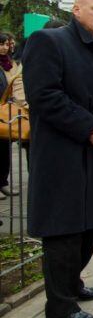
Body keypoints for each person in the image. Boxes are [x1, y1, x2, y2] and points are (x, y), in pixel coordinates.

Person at [23, 0, 93, 318]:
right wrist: (88, 128)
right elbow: (45, 95)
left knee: (90, 223)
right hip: (63, 153)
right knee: (64, 228)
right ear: (76, 9)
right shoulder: (48, 42)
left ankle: (73, 284)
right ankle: (60, 308)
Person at [0, 32, 26, 198]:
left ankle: (2, 182)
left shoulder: (12, 64)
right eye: (1, 44)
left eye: (7, 44)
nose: (5, 48)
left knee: (4, 151)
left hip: (7, 111)